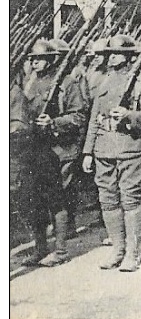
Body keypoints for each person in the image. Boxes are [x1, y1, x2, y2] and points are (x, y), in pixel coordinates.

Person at [82, 34, 141, 272]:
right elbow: (94, 119)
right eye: (109, 54)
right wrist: (88, 151)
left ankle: (132, 253)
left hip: (130, 147)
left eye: (116, 54)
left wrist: (129, 115)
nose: (111, 58)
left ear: (127, 56)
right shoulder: (103, 81)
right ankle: (117, 248)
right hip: (104, 149)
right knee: (107, 200)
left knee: (130, 199)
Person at [17, 39, 88, 266]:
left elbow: (79, 116)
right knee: (34, 199)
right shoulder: (28, 83)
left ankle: (61, 251)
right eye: (32, 60)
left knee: (58, 200)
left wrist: (54, 122)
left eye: (39, 59)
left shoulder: (66, 84)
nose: (35, 63)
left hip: (60, 150)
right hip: (34, 148)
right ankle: (40, 248)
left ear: (51, 60)